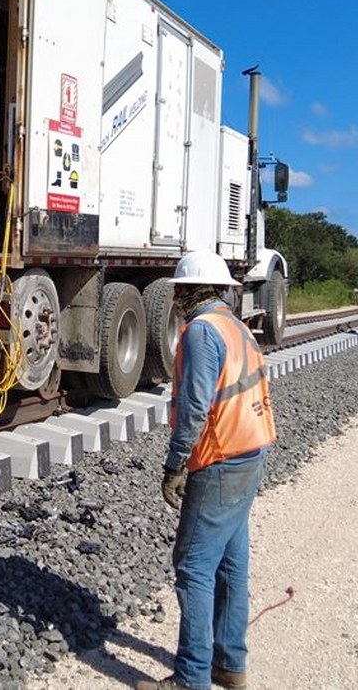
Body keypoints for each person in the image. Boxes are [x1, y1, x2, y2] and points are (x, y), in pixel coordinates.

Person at [138, 252, 276, 690]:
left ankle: (191, 678)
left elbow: (196, 408)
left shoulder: (201, 332)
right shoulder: (234, 326)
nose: (176, 297)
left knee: (194, 566)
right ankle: (230, 665)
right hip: (251, 448)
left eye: (179, 290)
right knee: (231, 563)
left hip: (221, 457)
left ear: (186, 291)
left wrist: (174, 463)